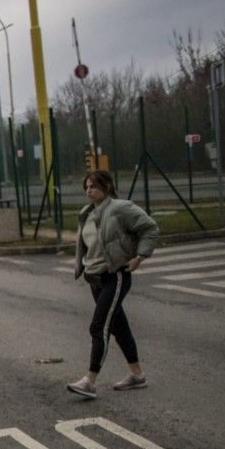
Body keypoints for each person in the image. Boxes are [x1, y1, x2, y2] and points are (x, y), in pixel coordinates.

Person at [67, 170, 159, 399]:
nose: (89, 190)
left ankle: (90, 381)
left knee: (99, 327)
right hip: (95, 279)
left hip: (114, 276)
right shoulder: (86, 213)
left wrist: (140, 257)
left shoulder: (119, 208)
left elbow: (150, 227)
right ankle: (137, 376)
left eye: (93, 186)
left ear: (107, 187)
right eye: (86, 187)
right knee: (119, 327)